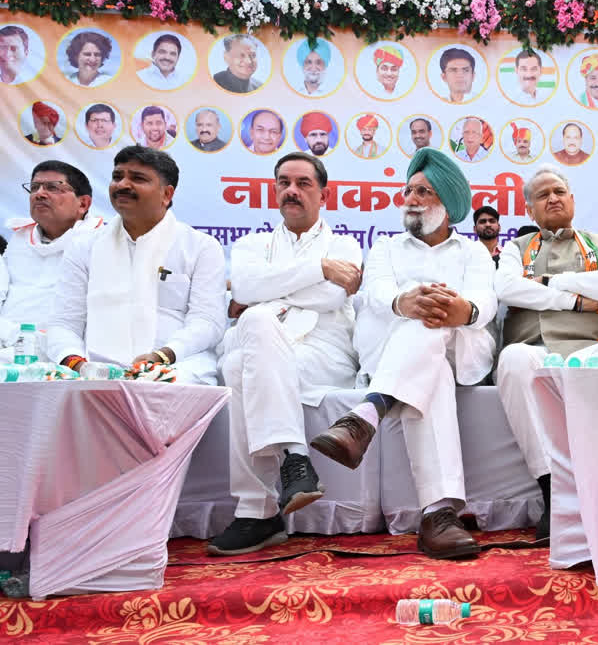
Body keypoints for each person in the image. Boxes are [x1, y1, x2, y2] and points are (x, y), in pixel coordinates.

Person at [309, 148, 496, 560]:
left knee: (433, 325)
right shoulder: (386, 249)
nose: (410, 198)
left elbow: (486, 299)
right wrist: (404, 302)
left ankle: (366, 416)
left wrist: (463, 309)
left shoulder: (472, 253)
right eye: (408, 190)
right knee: (425, 338)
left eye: (423, 192)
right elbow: (376, 293)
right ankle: (437, 516)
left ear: (447, 204)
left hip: (457, 349)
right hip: (398, 350)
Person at [207, 153, 363, 556]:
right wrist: (319, 269)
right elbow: (243, 286)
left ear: (324, 194)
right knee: (243, 353)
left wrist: (271, 290)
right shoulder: (252, 244)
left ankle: (256, 511)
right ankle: (295, 461)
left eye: (303, 183)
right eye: (283, 182)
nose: (291, 191)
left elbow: (330, 297)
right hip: (267, 354)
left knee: (252, 329)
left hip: (322, 354)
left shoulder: (345, 244)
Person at [494, 164, 598, 540]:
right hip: (535, 347)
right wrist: (575, 302)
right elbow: (508, 288)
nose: (552, 198)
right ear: (529, 210)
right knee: (513, 359)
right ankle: (551, 490)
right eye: (542, 195)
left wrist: (548, 283)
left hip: (591, 347)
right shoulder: (514, 248)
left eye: (558, 192)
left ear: (571, 199)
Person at [47, 146, 225, 383]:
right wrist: (78, 364)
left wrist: (163, 356)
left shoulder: (200, 246)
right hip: (93, 366)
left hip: (178, 363)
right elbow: (64, 323)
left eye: (138, 178)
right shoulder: (85, 246)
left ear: (166, 194)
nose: (122, 185)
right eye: (117, 176)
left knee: (162, 385)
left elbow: (208, 322)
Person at [0, 161, 103, 362]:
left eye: (53, 187)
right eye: (34, 187)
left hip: (68, 357)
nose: (39, 194)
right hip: (7, 346)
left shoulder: (101, 242)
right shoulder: (19, 239)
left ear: (83, 204)